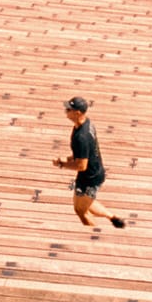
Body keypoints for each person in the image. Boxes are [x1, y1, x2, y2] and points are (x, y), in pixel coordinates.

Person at [53, 97, 125, 229]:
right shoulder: (87, 124)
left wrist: (62, 165)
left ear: (77, 113)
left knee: (81, 210)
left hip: (89, 178)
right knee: (84, 203)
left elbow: (81, 166)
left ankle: (95, 234)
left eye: (68, 109)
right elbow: (84, 153)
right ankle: (113, 218)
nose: (65, 111)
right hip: (95, 172)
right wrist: (69, 159)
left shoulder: (81, 137)